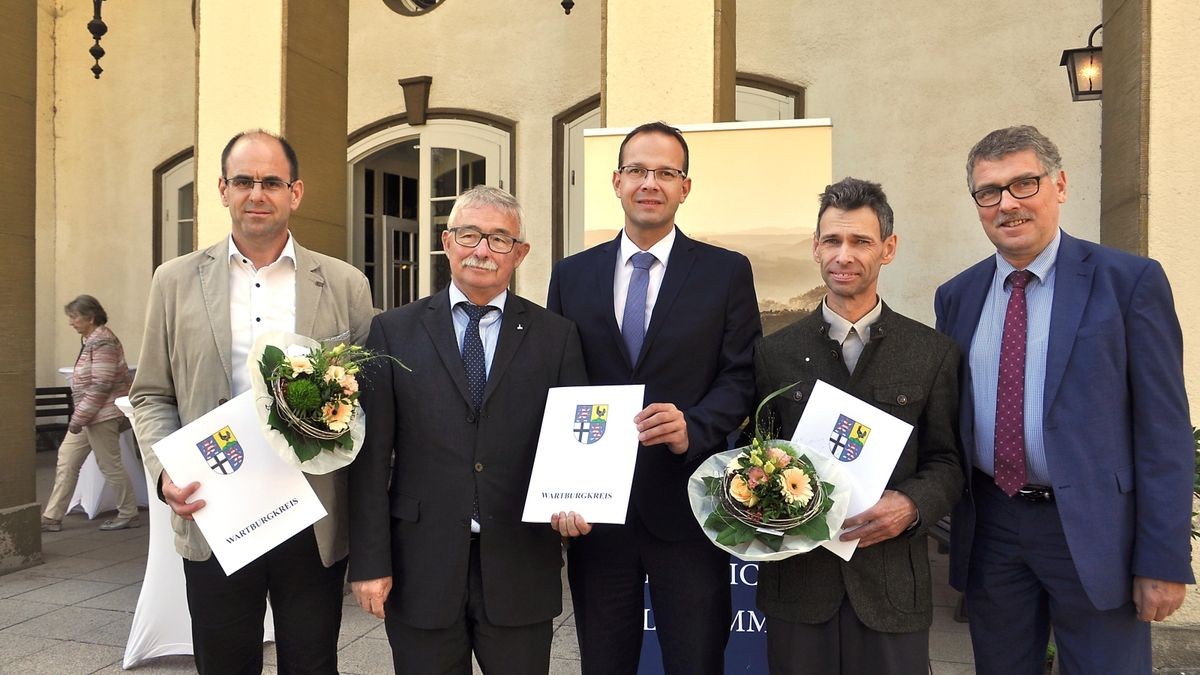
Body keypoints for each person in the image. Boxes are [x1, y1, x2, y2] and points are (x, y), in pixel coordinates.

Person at [935, 125, 1194, 674]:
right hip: (994, 529)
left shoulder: (1129, 282)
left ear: (1060, 185)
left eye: (1023, 183)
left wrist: (1163, 557)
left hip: (1097, 534)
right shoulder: (956, 296)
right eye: (989, 191)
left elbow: (1163, 431)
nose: (1007, 204)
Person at [129, 130, 375, 674]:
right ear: (222, 189)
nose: (256, 193)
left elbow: (367, 401)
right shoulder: (173, 283)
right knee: (223, 663)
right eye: (243, 181)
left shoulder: (344, 284)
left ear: (296, 192)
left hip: (310, 515)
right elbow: (149, 393)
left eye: (271, 181)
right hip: (217, 511)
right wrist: (166, 471)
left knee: (311, 663)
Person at [547, 121, 762, 674]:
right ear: (616, 182)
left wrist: (696, 425)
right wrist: (559, 486)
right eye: (639, 171)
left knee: (696, 660)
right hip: (598, 517)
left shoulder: (726, 273)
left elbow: (741, 375)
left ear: (684, 187)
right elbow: (558, 387)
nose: (651, 182)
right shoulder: (572, 276)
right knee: (604, 660)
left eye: (666, 172)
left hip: (689, 508)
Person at [347, 185, 587, 674]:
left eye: (500, 239)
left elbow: (575, 443)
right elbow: (370, 459)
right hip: (421, 567)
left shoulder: (556, 337)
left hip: (520, 565)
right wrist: (370, 561)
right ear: (447, 241)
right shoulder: (394, 331)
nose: (482, 250)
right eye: (470, 234)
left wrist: (579, 500)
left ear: (520, 253)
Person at [753, 177, 963, 674]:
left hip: (891, 586)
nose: (844, 255)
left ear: (888, 249)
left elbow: (949, 461)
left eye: (861, 241)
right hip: (799, 587)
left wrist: (912, 505)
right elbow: (752, 449)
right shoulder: (773, 353)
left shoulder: (931, 353)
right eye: (832, 240)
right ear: (815, 248)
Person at [41, 294, 139, 532]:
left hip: (101, 415)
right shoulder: (92, 339)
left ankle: (128, 514)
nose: (71, 322)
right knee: (67, 459)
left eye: (74, 317)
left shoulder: (102, 341)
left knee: (109, 465)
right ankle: (52, 517)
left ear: (90, 317)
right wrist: (82, 418)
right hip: (90, 416)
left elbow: (101, 384)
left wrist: (78, 418)